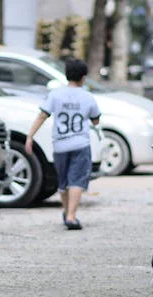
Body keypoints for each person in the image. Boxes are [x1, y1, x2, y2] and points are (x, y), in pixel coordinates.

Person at [25, 58, 101, 230]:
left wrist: (30, 136)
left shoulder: (55, 95)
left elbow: (42, 116)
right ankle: (71, 216)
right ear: (83, 77)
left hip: (59, 145)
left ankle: (67, 211)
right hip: (80, 144)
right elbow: (96, 120)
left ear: (66, 75)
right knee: (77, 180)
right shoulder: (88, 97)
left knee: (63, 182)